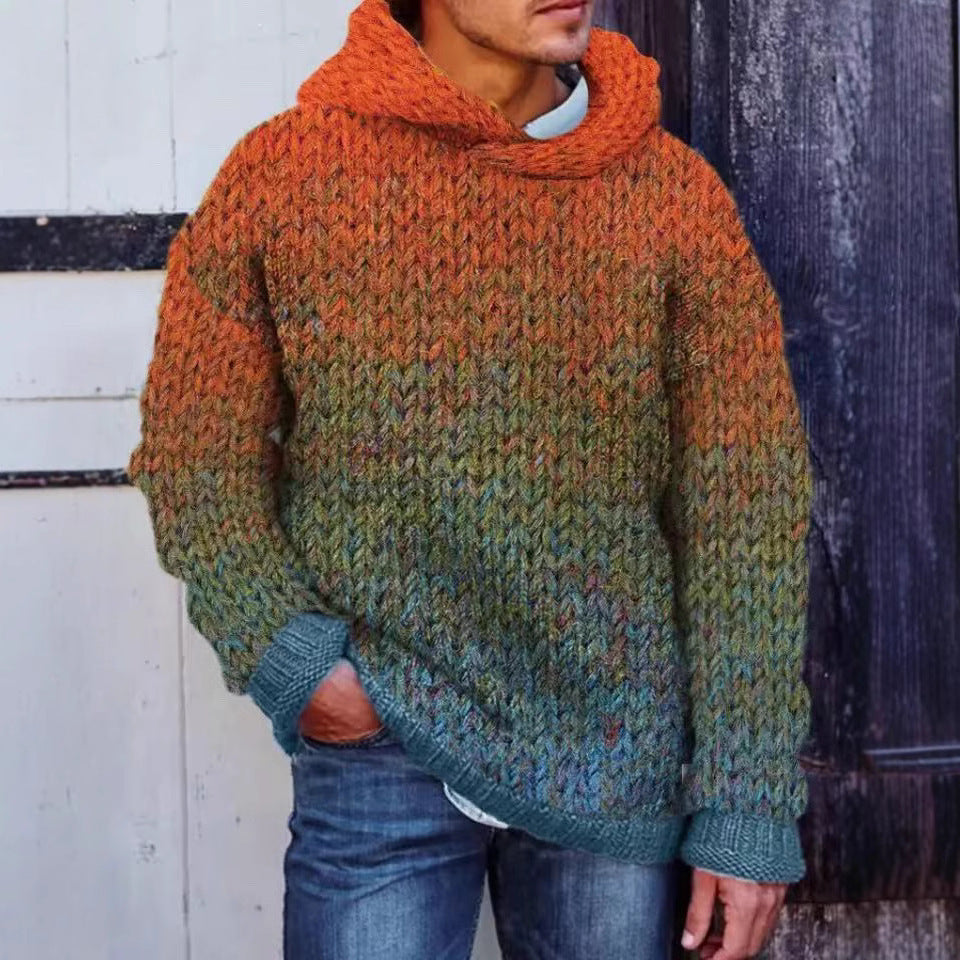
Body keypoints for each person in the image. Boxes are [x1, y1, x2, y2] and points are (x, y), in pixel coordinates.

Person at [127, 0, 814, 957]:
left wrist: (747, 800)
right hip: (381, 747)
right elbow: (196, 459)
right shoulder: (285, 176)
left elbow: (744, 508)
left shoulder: (671, 197)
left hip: (613, 757)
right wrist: (298, 666)